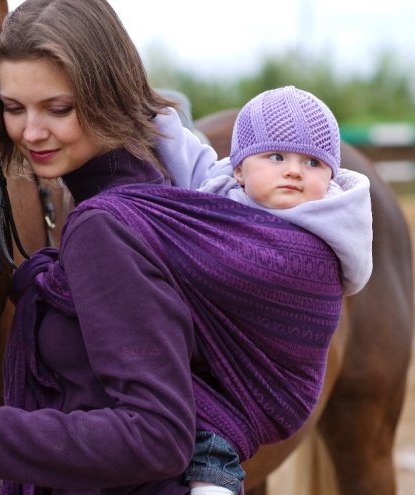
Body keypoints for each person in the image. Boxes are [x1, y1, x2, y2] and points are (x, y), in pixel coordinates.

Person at [0, 2, 345, 494]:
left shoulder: (106, 227)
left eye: (59, 108)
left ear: (106, 95)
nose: (31, 132)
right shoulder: (158, 185)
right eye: (13, 108)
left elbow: (159, 437)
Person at [154, 86, 372, 494]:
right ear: (238, 170)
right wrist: (157, 117)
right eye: (276, 157)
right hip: (201, 357)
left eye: (312, 162)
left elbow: (353, 274)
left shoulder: (323, 226)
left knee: (215, 446)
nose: (293, 171)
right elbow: (191, 158)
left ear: (330, 177)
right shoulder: (222, 190)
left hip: (257, 380)